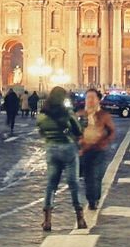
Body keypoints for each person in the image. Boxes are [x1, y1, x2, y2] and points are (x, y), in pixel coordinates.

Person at [38, 86, 85, 231]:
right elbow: (78, 130)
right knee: (73, 184)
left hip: (51, 149)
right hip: (68, 148)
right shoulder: (67, 113)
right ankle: (80, 218)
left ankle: (47, 220)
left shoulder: (42, 115)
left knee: (51, 185)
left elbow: (41, 131)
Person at [79, 89, 115, 210]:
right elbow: (70, 129)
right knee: (88, 176)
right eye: (87, 97)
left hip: (99, 149)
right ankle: (91, 199)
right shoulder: (80, 114)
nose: (90, 100)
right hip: (84, 149)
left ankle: (94, 198)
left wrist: (104, 141)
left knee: (96, 175)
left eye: (92, 97)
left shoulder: (104, 115)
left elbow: (112, 131)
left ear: (98, 100)